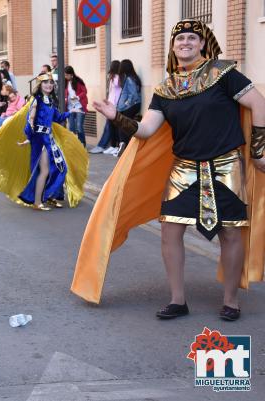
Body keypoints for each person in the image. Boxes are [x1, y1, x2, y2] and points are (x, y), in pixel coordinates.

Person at [72, 19, 265, 321]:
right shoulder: (166, 89)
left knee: (231, 234)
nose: (185, 43)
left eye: (191, 38)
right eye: (179, 39)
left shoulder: (223, 74)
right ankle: (178, 300)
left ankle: (231, 300)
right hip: (184, 169)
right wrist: (117, 117)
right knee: (169, 232)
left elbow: (259, 103)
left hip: (225, 167)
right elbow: (146, 129)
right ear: (173, 47)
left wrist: (258, 151)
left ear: (203, 44)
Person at [0, 72, 88, 211]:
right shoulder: (37, 100)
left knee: (59, 168)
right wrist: (30, 138)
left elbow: (57, 118)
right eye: (46, 83)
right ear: (40, 85)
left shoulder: (49, 101)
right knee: (45, 170)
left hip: (49, 139)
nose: (49, 85)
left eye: (51, 83)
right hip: (40, 141)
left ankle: (47, 196)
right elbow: (30, 120)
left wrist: (72, 111)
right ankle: (37, 202)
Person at [90, 60, 121, 154]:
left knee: (110, 126)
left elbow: (117, 88)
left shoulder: (117, 78)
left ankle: (103, 146)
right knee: (109, 126)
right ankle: (107, 145)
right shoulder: (113, 77)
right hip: (111, 104)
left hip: (115, 105)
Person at [63, 66, 88, 147]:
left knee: (79, 126)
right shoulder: (65, 82)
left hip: (79, 106)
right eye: (65, 75)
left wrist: (78, 97)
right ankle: (73, 144)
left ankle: (82, 143)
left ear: (71, 74)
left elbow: (84, 91)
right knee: (71, 127)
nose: (65, 76)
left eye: (67, 75)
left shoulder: (78, 81)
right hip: (70, 107)